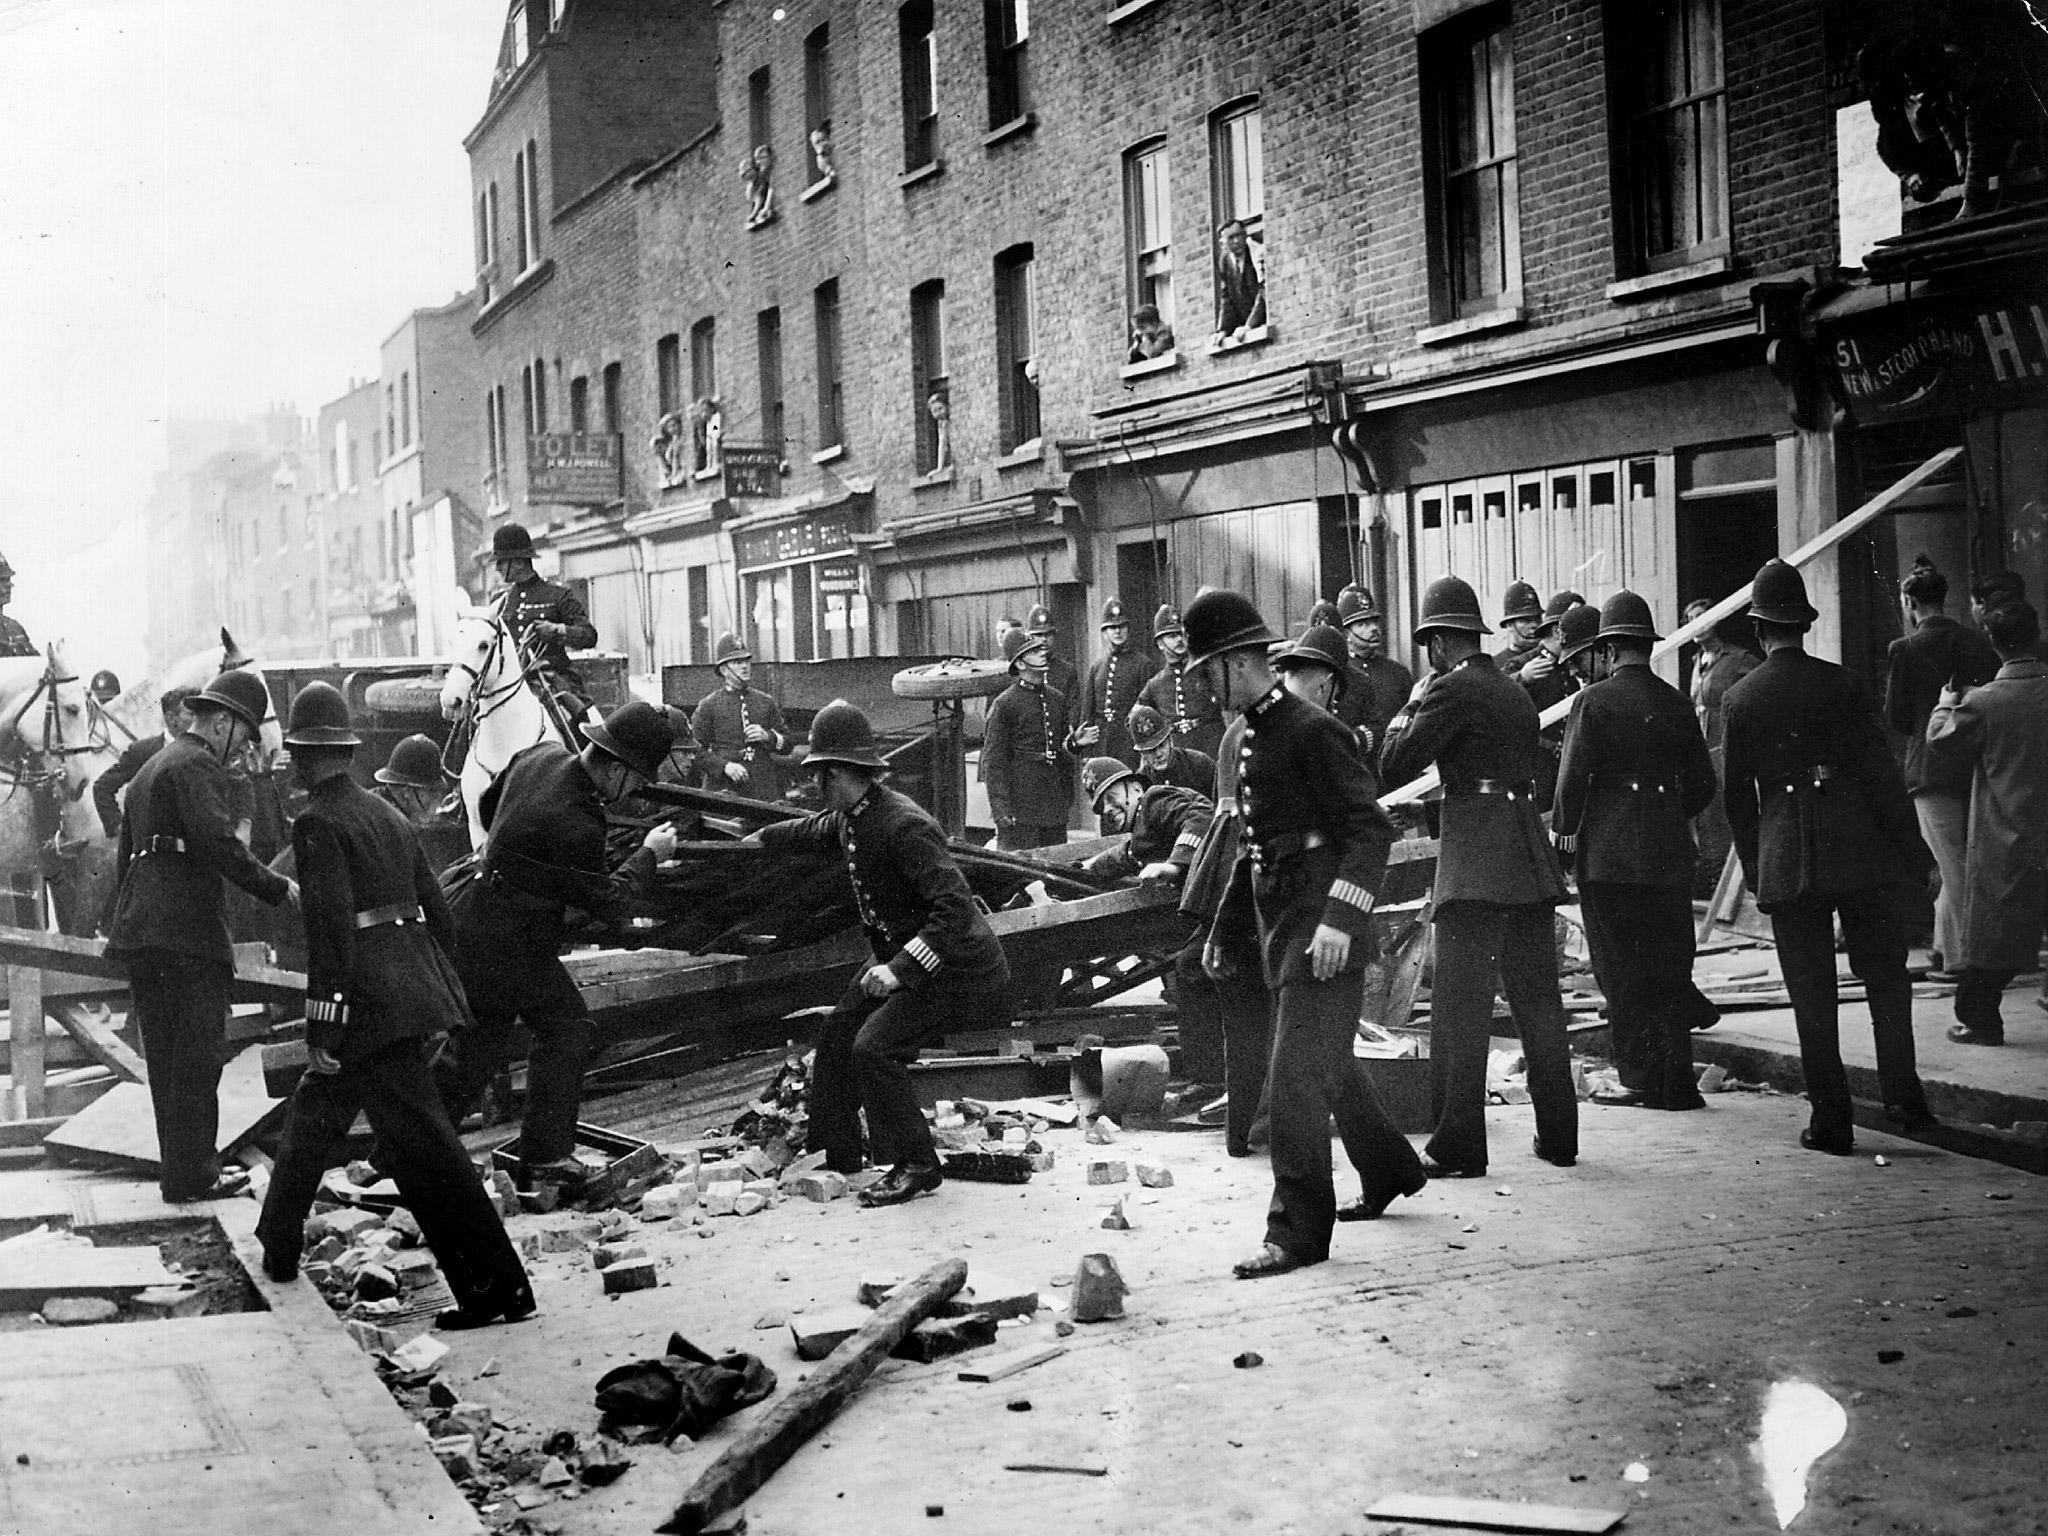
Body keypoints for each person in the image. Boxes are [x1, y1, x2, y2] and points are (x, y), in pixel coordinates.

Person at [254, 684, 533, 1328]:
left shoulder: (317, 823)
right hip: (407, 996)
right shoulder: (387, 817)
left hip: (366, 1008)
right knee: (318, 1110)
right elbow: (437, 911)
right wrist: (441, 988)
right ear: (346, 752)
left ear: (300, 756)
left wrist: (326, 1020)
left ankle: (497, 1291)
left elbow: (331, 931)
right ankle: (278, 1241)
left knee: (425, 1151)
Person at [1188, 590, 1423, 1279]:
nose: (1204, 687)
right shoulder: (1254, 733)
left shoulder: (1312, 730)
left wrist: (1340, 922)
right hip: (1282, 926)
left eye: (1208, 672)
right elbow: (1252, 844)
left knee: (1292, 1080)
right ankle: (1391, 1169)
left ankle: (1295, 1234)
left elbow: (1370, 833)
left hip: (1322, 935)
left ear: (1237, 663)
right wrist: (1226, 930)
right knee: (1328, 1066)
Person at [756, 702, 1010, 1205]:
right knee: (838, 1034)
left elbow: (956, 911)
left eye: (819, 775)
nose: (814, 786)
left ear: (840, 772)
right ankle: (838, 1152)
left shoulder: (902, 826)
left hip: (956, 969)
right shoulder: (854, 815)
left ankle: (916, 1163)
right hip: (906, 959)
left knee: (874, 1047)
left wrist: (899, 970)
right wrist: (760, 840)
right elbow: (812, 831)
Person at [1721, 560, 1937, 1151]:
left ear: (1760, 628)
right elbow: (1882, 777)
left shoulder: (1741, 698)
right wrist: (1916, 857)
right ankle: (1905, 1099)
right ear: (1804, 625)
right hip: (1859, 847)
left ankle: (1832, 1121)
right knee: (1886, 976)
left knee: (1811, 991)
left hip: (1789, 854)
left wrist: (1760, 867)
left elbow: (1737, 800)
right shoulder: (1844, 685)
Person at [1380, 576, 1578, 1178]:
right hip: (1525, 854)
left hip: (1474, 866)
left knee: (1459, 1009)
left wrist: (1414, 702)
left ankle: (1457, 1145)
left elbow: (1393, 763)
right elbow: (1493, 770)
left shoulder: (1448, 691)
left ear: (1439, 642)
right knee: (1538, 1001)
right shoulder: (1513, 692)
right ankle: (1560, 1136)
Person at [437, 703, 681, 1179]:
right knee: (566, 1026)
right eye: (636, 781)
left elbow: (488, 807)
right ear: (615, 767)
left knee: (477, 1045)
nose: (634, 793)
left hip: (474, 909)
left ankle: (396, 1152)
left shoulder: (541, 755)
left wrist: (523, 858)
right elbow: (612, 904)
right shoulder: (578, 823)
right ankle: (546, 1156)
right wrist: (650, 855)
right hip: (508, 939)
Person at [103, 670, 299, 1202]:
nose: (243, 752)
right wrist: (276, 887)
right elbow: (217, 843)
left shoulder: (151, 770)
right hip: (185, 934)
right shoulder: (197, 764)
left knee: (166, 1062)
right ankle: (200, 1175)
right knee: (197, 1056)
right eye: (245, 736)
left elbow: (126, 859)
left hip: (145, 934)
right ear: (221, 723)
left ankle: (180, 1175)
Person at [1553, 593, 1719, 1111]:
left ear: (1607, 649)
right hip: (1668, 853)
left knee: (1619, 968)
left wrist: (1566, 838)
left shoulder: (1593, 703)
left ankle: (1640, 1078)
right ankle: (1679, 1084)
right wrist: (1669, 814)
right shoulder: (1675, 702)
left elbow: (1570, 782)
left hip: (1608, 855)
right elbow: (1702, 784)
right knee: (1670, 965)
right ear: (1646, 645)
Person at [1924, 599, 2048, 1046]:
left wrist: (1944, 705)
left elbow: (1940, 740)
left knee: (1994, 934)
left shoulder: (1985, 702)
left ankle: (1979, 1020)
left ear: (1994, 644)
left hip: (2007, 834)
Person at [1885, 555, 2001, 975]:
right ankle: (1944, 947)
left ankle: (1965, 960)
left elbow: (1896, 718)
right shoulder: (1976, 642)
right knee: (1963, 861)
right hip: (1974, 762)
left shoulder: (1903, 648)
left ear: (1908, 602)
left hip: (1929, 769)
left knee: (1954, 867)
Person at [1081, 755, 1222, 1090]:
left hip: (1226, 896)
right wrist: (1085, 868)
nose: (1110, 810)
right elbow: (1126, 856)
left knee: (1191, 969)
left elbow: (1201, 815)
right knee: (1191, 970)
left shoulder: (1156, 799)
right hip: (1214, 904)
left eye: (1113, 798)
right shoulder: (1145, 829)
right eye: (1102, 808)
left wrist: (1173, 866)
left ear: (1133, 787)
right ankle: (1213, 1077)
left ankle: (1212, 1081)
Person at [1684, 596, 1760, 896]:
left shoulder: (1740, 659)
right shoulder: (1696, 664)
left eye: (1703, 615)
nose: (1698, 623)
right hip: (1704, 750)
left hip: (1728, 748)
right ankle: (1713, 883)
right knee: (1707, 815)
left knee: (1730, 813)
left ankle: (1735, 889)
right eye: (1691, 619)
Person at [488, 522, 599, 718]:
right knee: (468, 729)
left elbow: (589, 636)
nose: (497, 567)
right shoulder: (499, 601)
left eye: (502, 561)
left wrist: (557, 630)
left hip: (552, 680)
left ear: (520, 562)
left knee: (579, 721)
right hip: (508, 681)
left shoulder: (558, 595)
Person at [981, 628, 1074, 851]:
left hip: (1053, 807)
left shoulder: (1056, 699)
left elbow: (1063, 755)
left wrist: (1065, 799)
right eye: (1033, 651)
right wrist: (1001, 811)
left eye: (1040, 648)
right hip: (1020, 809)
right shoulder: (1004, 704)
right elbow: (993, 762)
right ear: (1020, 664)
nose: (1043, 653)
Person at [692, 631, 795, 803]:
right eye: (738, 662)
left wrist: (768, 736)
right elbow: (694, 750)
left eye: (747, 661)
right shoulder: (709, 705)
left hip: (762, 790)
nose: (745, 666)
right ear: (724, 670)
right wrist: (724, 766)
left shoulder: (765, 702)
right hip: (723, 789)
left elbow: (788, 744)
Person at [93, 686, 196, 840]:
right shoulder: (142, 752)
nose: (198, 719)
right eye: (191, 714)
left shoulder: (207, 751)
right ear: (170, 718)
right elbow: (102, 787)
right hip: (155, 856)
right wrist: (120, 829)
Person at [1069, 597, 1158, 769]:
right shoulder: (1097, 667)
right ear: (1104, 632)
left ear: (1128, 629)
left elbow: (1148, 709)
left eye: (1121, 626)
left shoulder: (1143, 664)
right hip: (1101, 742)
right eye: (1112, 627)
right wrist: (1087, 753)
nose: (1117, 632)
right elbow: (1088, 712)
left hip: (1129, 742)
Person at [1332, 587, 1413, 757]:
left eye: (1374, 621)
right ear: (1347, 633)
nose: (1374, 628)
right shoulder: (1338, 674)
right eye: (1363, 624)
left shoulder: (1398, 673)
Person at [374, 733, 471, 876]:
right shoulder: (382, 824)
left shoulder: (393, 811)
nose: (438, 799)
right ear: (407, 792)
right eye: (431, 792)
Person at [1137, 604, 1225, 758]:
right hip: (1178, 754)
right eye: (1172, 636)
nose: (1179, 640)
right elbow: (1135, 718)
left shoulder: (1207, 670)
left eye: (1181, 634)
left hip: (1211, 746)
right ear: (1160, 644)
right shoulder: (1155, 684)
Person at [1129, 703, 1216, 795]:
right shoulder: (1142, 781)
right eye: (1150, 751)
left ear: (1170, 741)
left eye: (1162, 745)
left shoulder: (1199, 764)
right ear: (1142, 753)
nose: (1158, 754)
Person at [1211, 220, 1267, 347]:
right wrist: (1223, 330)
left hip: (1262, 322)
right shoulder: (1224, 261)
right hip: (1244, 327)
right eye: (1231, 238)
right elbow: (1227, 298)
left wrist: (1249, 326)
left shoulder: (1256, 253)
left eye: (1239, 235)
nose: (1236, 241)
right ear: (1222, 243)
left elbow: (1262, 291)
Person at [1024, 603, 1081, 710]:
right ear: (1030, 638)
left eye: (1048, 634)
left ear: (1054, 636)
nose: (1044, 640)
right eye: (1039, 635)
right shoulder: (1024, 670)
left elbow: (1074, 708)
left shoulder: (1067, 671)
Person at [1493, 580, 1544, 675]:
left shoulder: (1550, 657)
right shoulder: (1495, 665)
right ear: (1509, 625)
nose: (1534, 625)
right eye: (1526, 621)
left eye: (1537, 619)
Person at [0, 550, 32, 657]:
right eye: (2, 580)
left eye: (8, 579)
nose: (9, 585)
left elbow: (33, 665)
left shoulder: (14, 628)